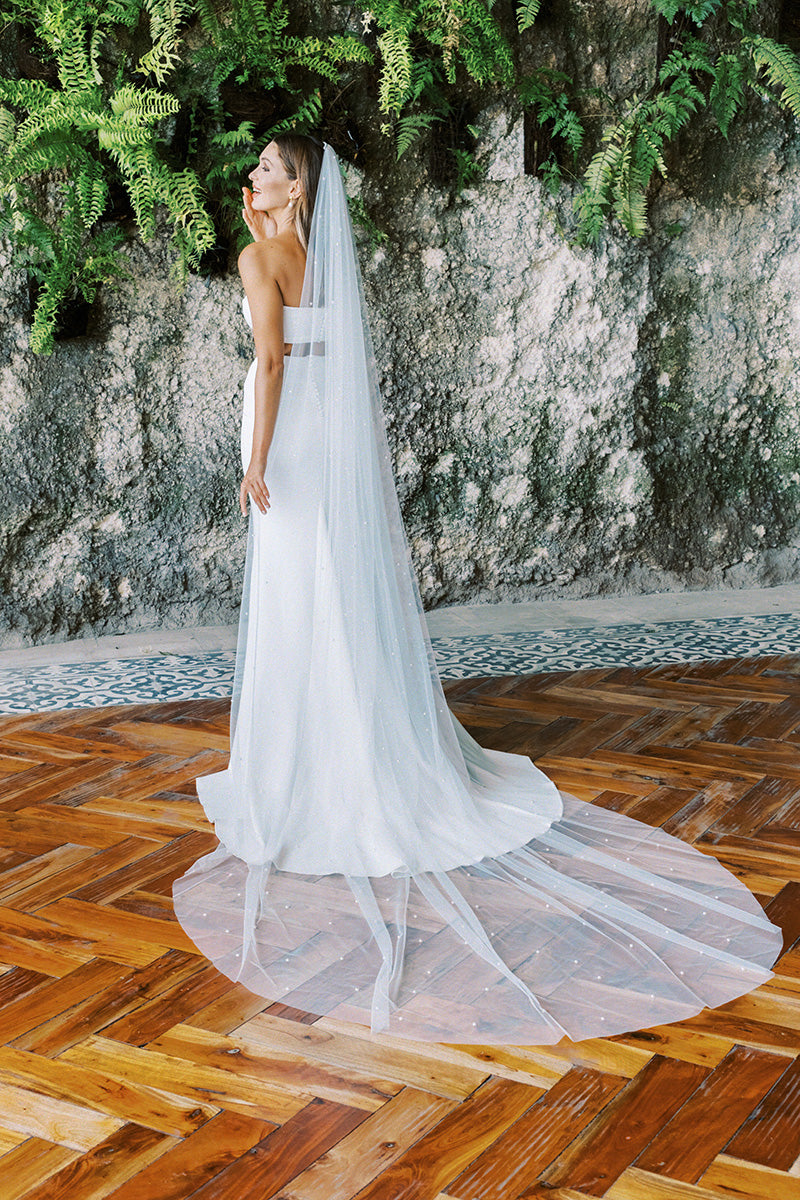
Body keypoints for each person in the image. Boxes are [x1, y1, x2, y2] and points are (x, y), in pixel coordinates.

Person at [173, 134, 782, 1044]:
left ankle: (304, 765)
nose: (251, 177)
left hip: (287, 447)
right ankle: (357, 747)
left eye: (267, 167)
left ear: (296, 185)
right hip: (327, 449)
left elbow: (270, 362)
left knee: (303, 605)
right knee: (334, 602)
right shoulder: (322, 257)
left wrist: (255, 462)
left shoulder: (259, 255)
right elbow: (327, 364)